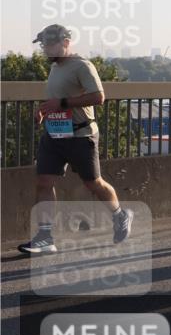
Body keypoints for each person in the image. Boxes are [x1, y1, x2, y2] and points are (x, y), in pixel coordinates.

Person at [18, 25, 134, 254]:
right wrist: (46, 111)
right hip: (55, 135)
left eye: (49, 44)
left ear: (65, 42)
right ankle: (45, 237)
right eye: (43, 45)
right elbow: (58, 98)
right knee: (43, 182)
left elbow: (99, 97)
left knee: (93, 183)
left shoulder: (82, 66)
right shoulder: (54, 67)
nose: (46, 49)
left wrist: (60, 104)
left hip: (81, 135)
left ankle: (120, 215)